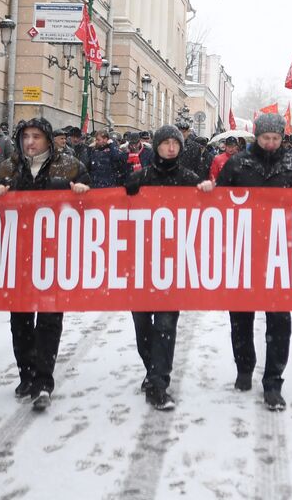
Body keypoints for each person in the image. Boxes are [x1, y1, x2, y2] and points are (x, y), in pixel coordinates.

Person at [199, 112, 292, 411]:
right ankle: (244, 368)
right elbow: (221, 200)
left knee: (279, 320)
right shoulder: (238, 164)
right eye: (266, 138)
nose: (271, 143)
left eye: (276, 138)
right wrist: (211, 191)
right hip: (244, 250)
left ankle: (274, 381)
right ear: (257, 137)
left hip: (280, 253)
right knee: (241, 316)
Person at [0, 117, 90, 411]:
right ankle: (26, 373)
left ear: (47, 139)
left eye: (36, 136)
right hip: (18, 254)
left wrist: (82, 192)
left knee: (48, 319)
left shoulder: (69, 167)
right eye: (25, 137)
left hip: (53, 253)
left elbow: (90, 201)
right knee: (19, 321)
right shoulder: (7, 168)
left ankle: (43, 380)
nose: (30, 142)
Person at [124, 125, 200, 411]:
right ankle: (151, 368)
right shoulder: (138, 179)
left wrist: (206, 191)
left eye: (175, 143)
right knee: (143, 325)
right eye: (165, 143)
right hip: (141, 264)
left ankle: (159, 384)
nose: (171, 148)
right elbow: (118, 211)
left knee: (166, 325)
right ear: (156, 146)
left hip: (173, 265)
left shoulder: (189, 179)